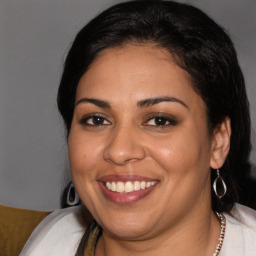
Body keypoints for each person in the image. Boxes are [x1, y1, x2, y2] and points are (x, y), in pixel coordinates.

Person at [20, 0, 256, 255]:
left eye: (159, 120)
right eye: (97, 120)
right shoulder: (50, 242)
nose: (120, 151)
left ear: (218, 142)